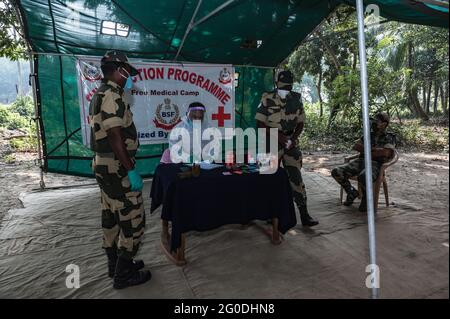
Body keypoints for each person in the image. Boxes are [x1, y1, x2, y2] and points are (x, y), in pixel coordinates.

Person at [89, 50, 151, 289]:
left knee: (112, 215)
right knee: (134, 219)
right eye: (127, 73)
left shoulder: (101, 93)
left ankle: (115, 265)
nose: (129, 78)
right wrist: (131, 169)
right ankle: (123, 276)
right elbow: (115, 136)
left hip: (105, 165)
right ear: (119, 71)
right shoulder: (111, 96)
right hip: (116, 167)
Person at [255, 70, 319, 227]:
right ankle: (271, 214)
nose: (285, 89)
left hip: (290, 143)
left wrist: (293, 139)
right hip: (270, 142)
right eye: (283, 86)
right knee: (269, 179)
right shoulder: (267, 98)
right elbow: (260, 123)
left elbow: (301, 122)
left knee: (296, 178)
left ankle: (304, 214)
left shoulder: (296, 98)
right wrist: (279, 137)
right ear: (276, 83)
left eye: (288, 87)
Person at [331, 112, 396, 212]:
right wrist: (375, 150)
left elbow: (385, 153)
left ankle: (366, 198)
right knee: (336, 171)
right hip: (360, 161)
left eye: (377, 121)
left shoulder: (390, 137)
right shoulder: (368, 135)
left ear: (384, 124)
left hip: (376, 164)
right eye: (374, 120)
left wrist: (367, 150)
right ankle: (351, 192)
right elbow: (356, 146)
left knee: (364, 176)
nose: (374, 122)